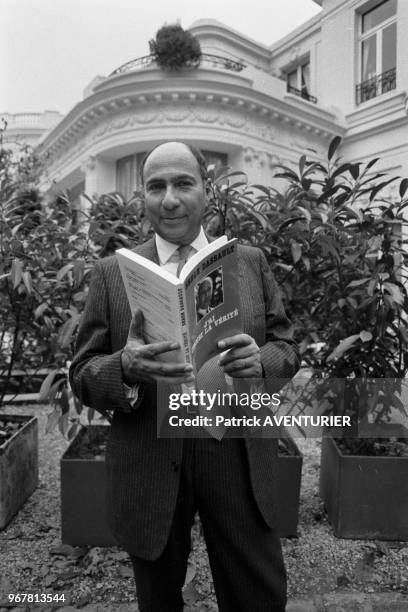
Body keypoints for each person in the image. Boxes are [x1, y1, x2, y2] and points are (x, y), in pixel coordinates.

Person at [69, 141, 300, 612]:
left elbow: (287, 347)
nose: (169, 198)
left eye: (182, 183)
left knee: (258, 596)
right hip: (151, 461)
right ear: (144, 197)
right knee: (157, 600)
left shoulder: (248, 261)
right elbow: (82, 373)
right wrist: (125, 368)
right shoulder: (113, 273)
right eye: (156, 187)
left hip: (235, 453)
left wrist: (262, 363)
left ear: (207, 191)